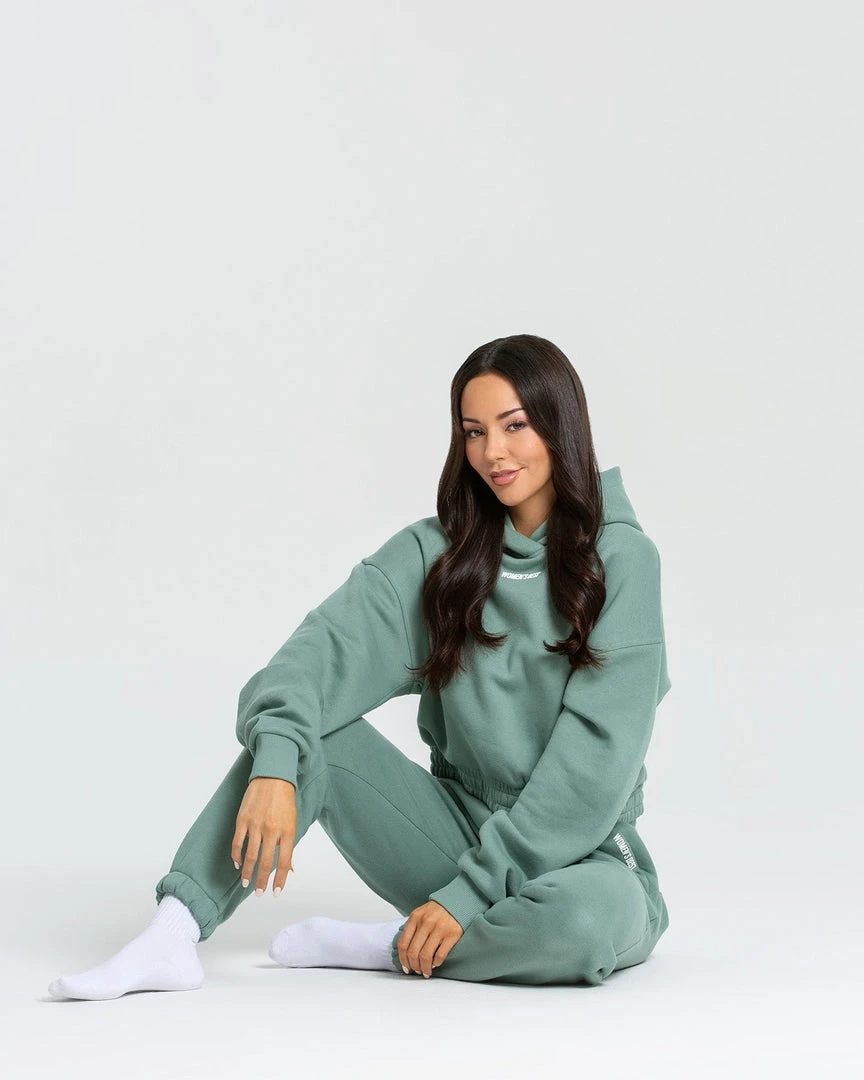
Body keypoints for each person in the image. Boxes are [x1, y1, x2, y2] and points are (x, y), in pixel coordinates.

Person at [48, 333, 672, 1000]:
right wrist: (276, 761)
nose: (493, 452)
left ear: (560, 424)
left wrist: (467, 897)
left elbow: (590, 770)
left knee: (580, 927)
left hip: (586, 857)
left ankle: (390, 947)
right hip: (452, 837)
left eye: (514, 425)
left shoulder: (623, 562)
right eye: (474, 431)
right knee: (308, 731)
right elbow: (315, 656)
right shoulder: (440, 556)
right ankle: (171, 934)